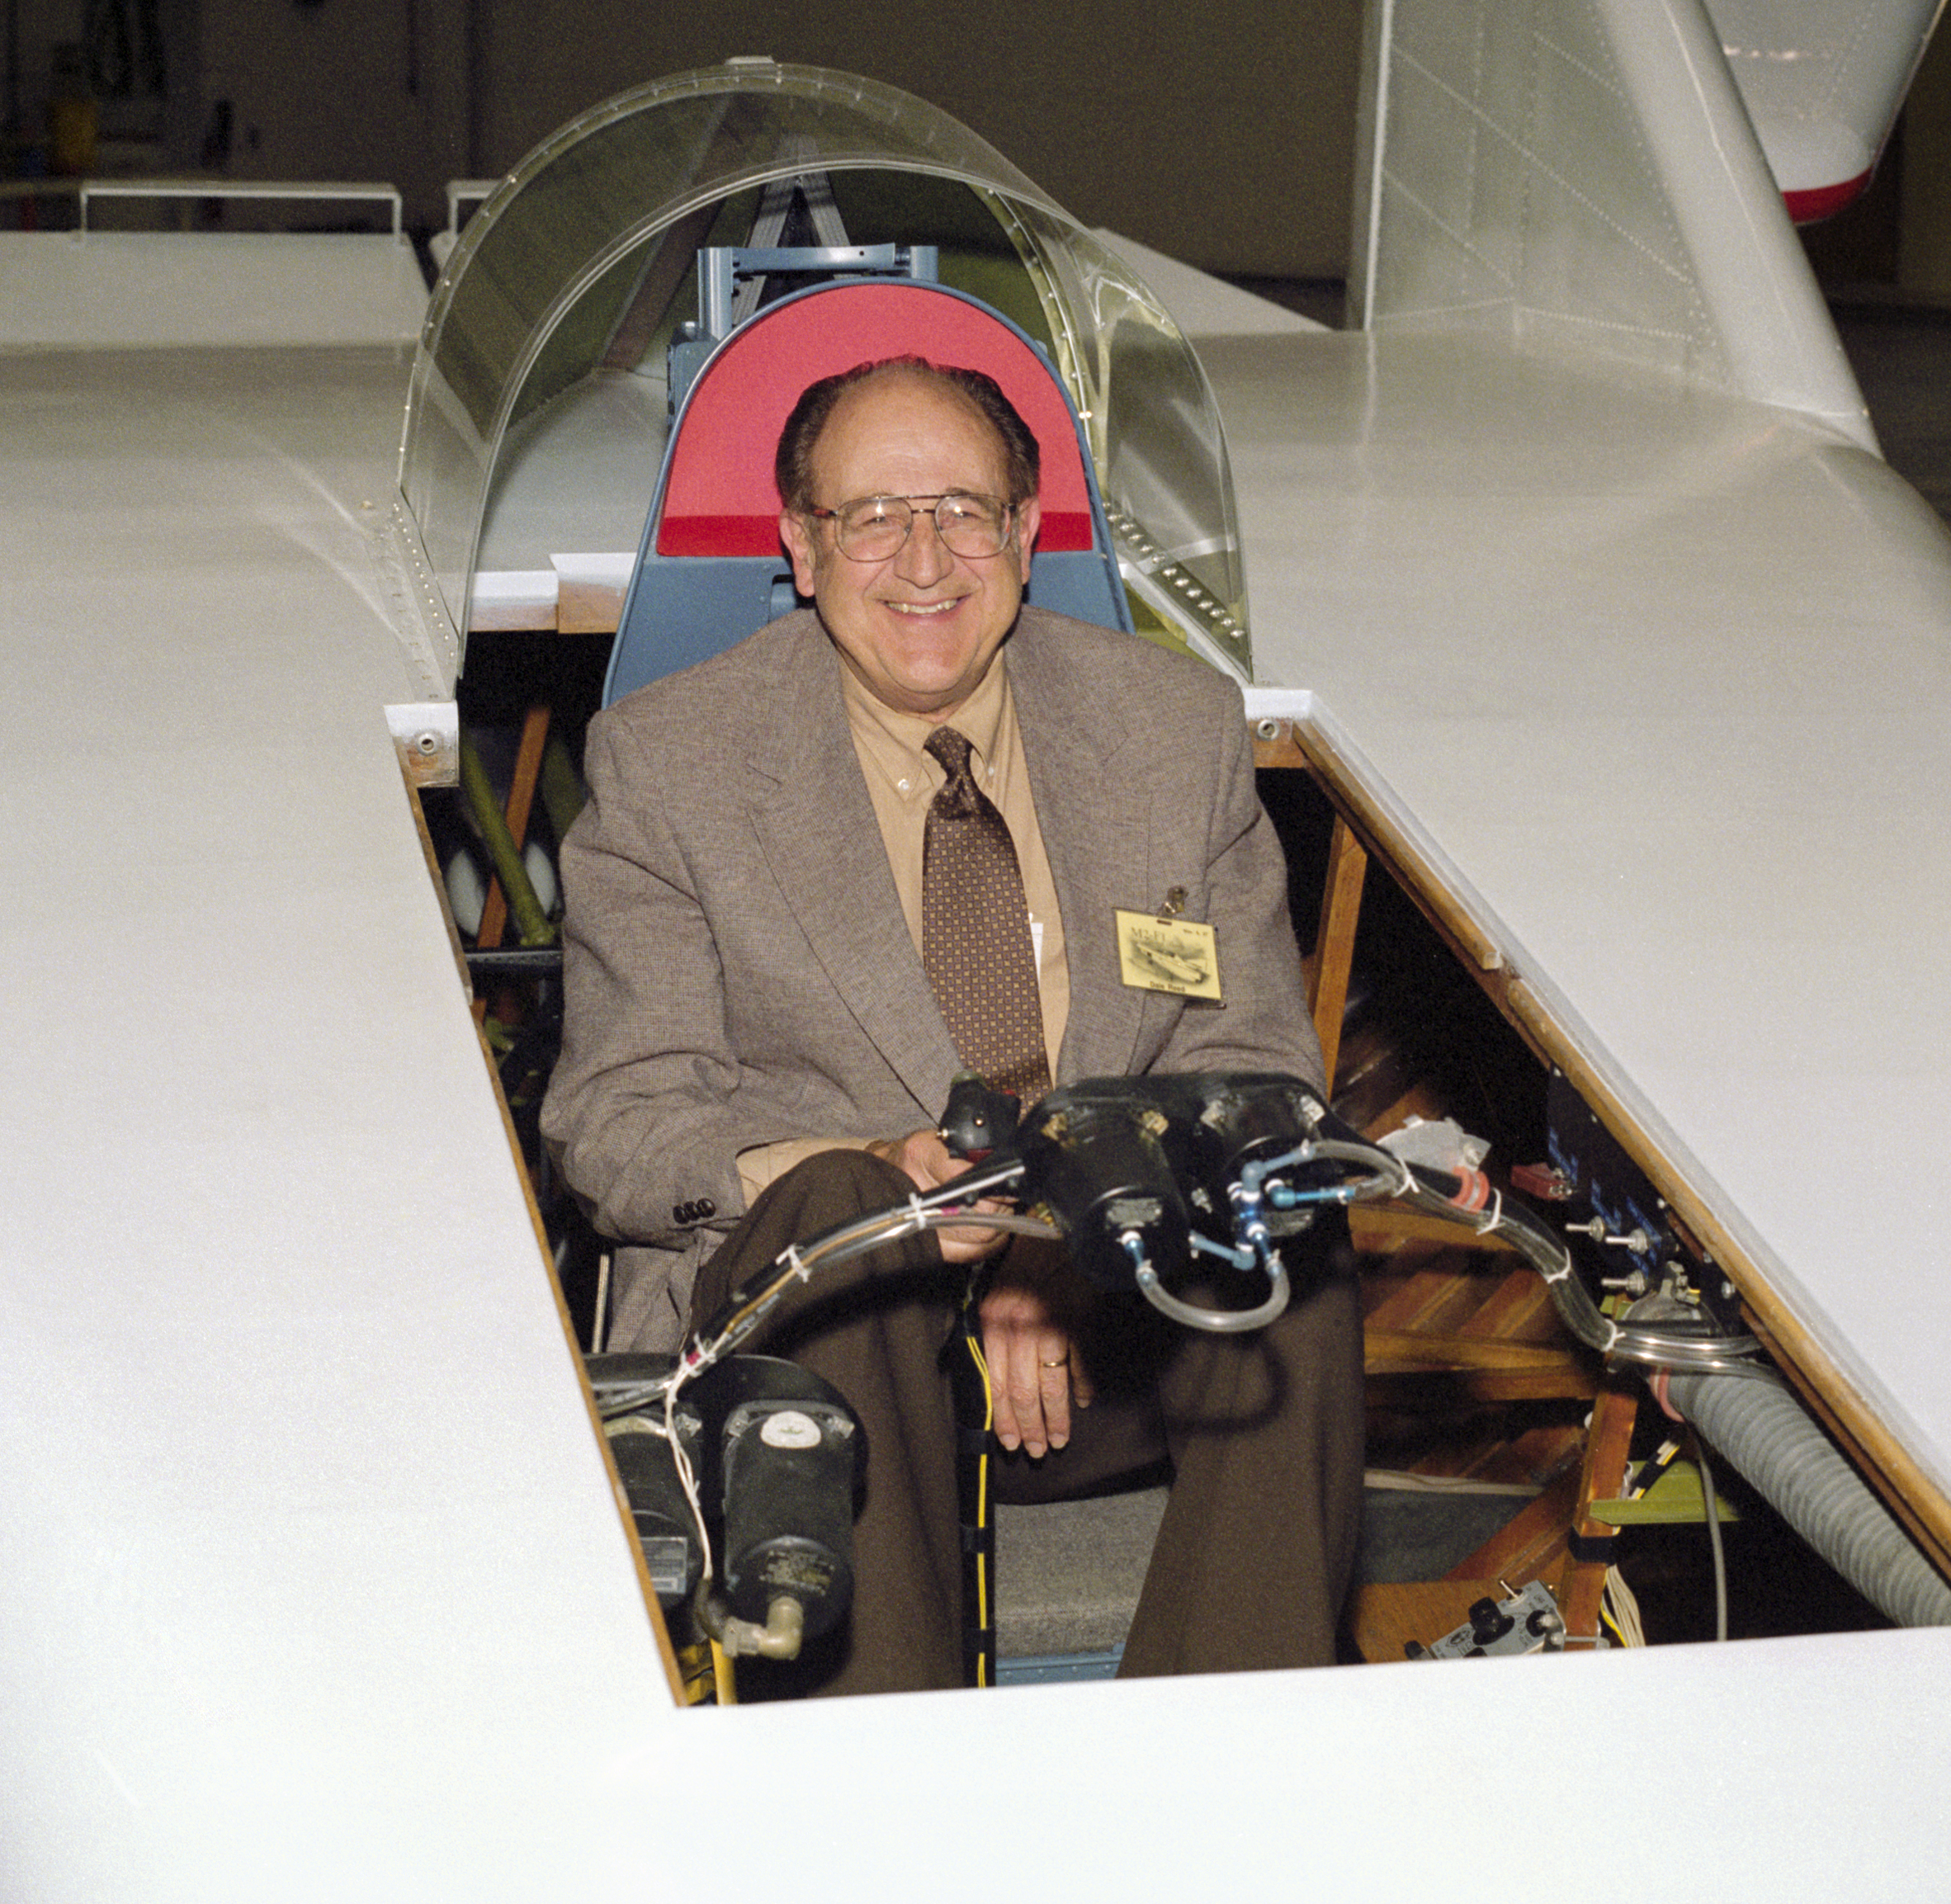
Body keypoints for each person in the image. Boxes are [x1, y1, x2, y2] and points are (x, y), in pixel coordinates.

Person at [542, 355, 1362, 1694]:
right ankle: (884, 1771)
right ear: (803, 546)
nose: (924, 561)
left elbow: (1255, 1063)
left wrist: (1064, 1236)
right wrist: (888, 1182)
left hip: (1113, 1326)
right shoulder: (672, 761)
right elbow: (616, 1122)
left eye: (964, 512)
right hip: (822, 1343)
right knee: (841, 1209)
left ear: (1027, 534)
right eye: (872, 517)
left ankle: (1230, 1748)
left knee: (1287, 1215)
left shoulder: (1171, 730)